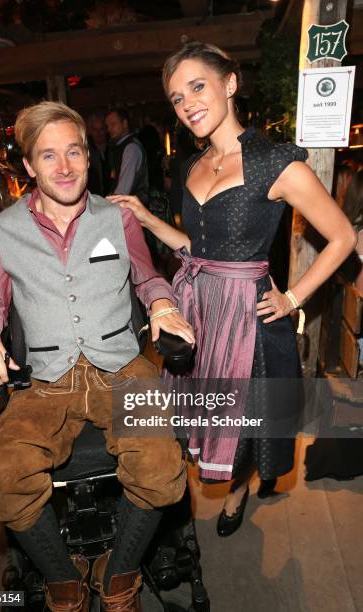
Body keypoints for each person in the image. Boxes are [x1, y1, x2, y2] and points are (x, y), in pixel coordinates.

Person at [108, 41, 357, 538]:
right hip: (198, 307)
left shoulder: (275, 163)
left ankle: (237, 491)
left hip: (246, 316)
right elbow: (195, 247)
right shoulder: (191, 165)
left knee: (241, 422)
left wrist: (292, 297)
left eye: (197, 87)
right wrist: (146, 217)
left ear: (230, 84)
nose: (187, 104)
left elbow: (343, 236)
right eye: (177, 98)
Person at [0, 101, 194, 612]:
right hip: (45, 378)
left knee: (160, 470)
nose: (64, 167)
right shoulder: (4, 229)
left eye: (74, 152)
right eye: (48, 156)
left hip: (122, 367)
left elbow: (148, 275)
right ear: (29, 167)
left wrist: (161, 303)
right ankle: (64, 581)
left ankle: (119, 577)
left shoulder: (117, 217)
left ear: (89, 158)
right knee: (3, 474)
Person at [105, 108, 149, 204]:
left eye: (113, 124)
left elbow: (122, 191)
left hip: (134, 211)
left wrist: (104, 205)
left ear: (124, 124)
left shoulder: (131, 148)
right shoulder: (121, 147)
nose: (109, 129)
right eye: (107, 126)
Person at [86, 112, 110, 196]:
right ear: (90, 131)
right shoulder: (86, 151)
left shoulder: (113, 148)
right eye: (95, 130)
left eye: (101, 129)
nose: (99, 133)